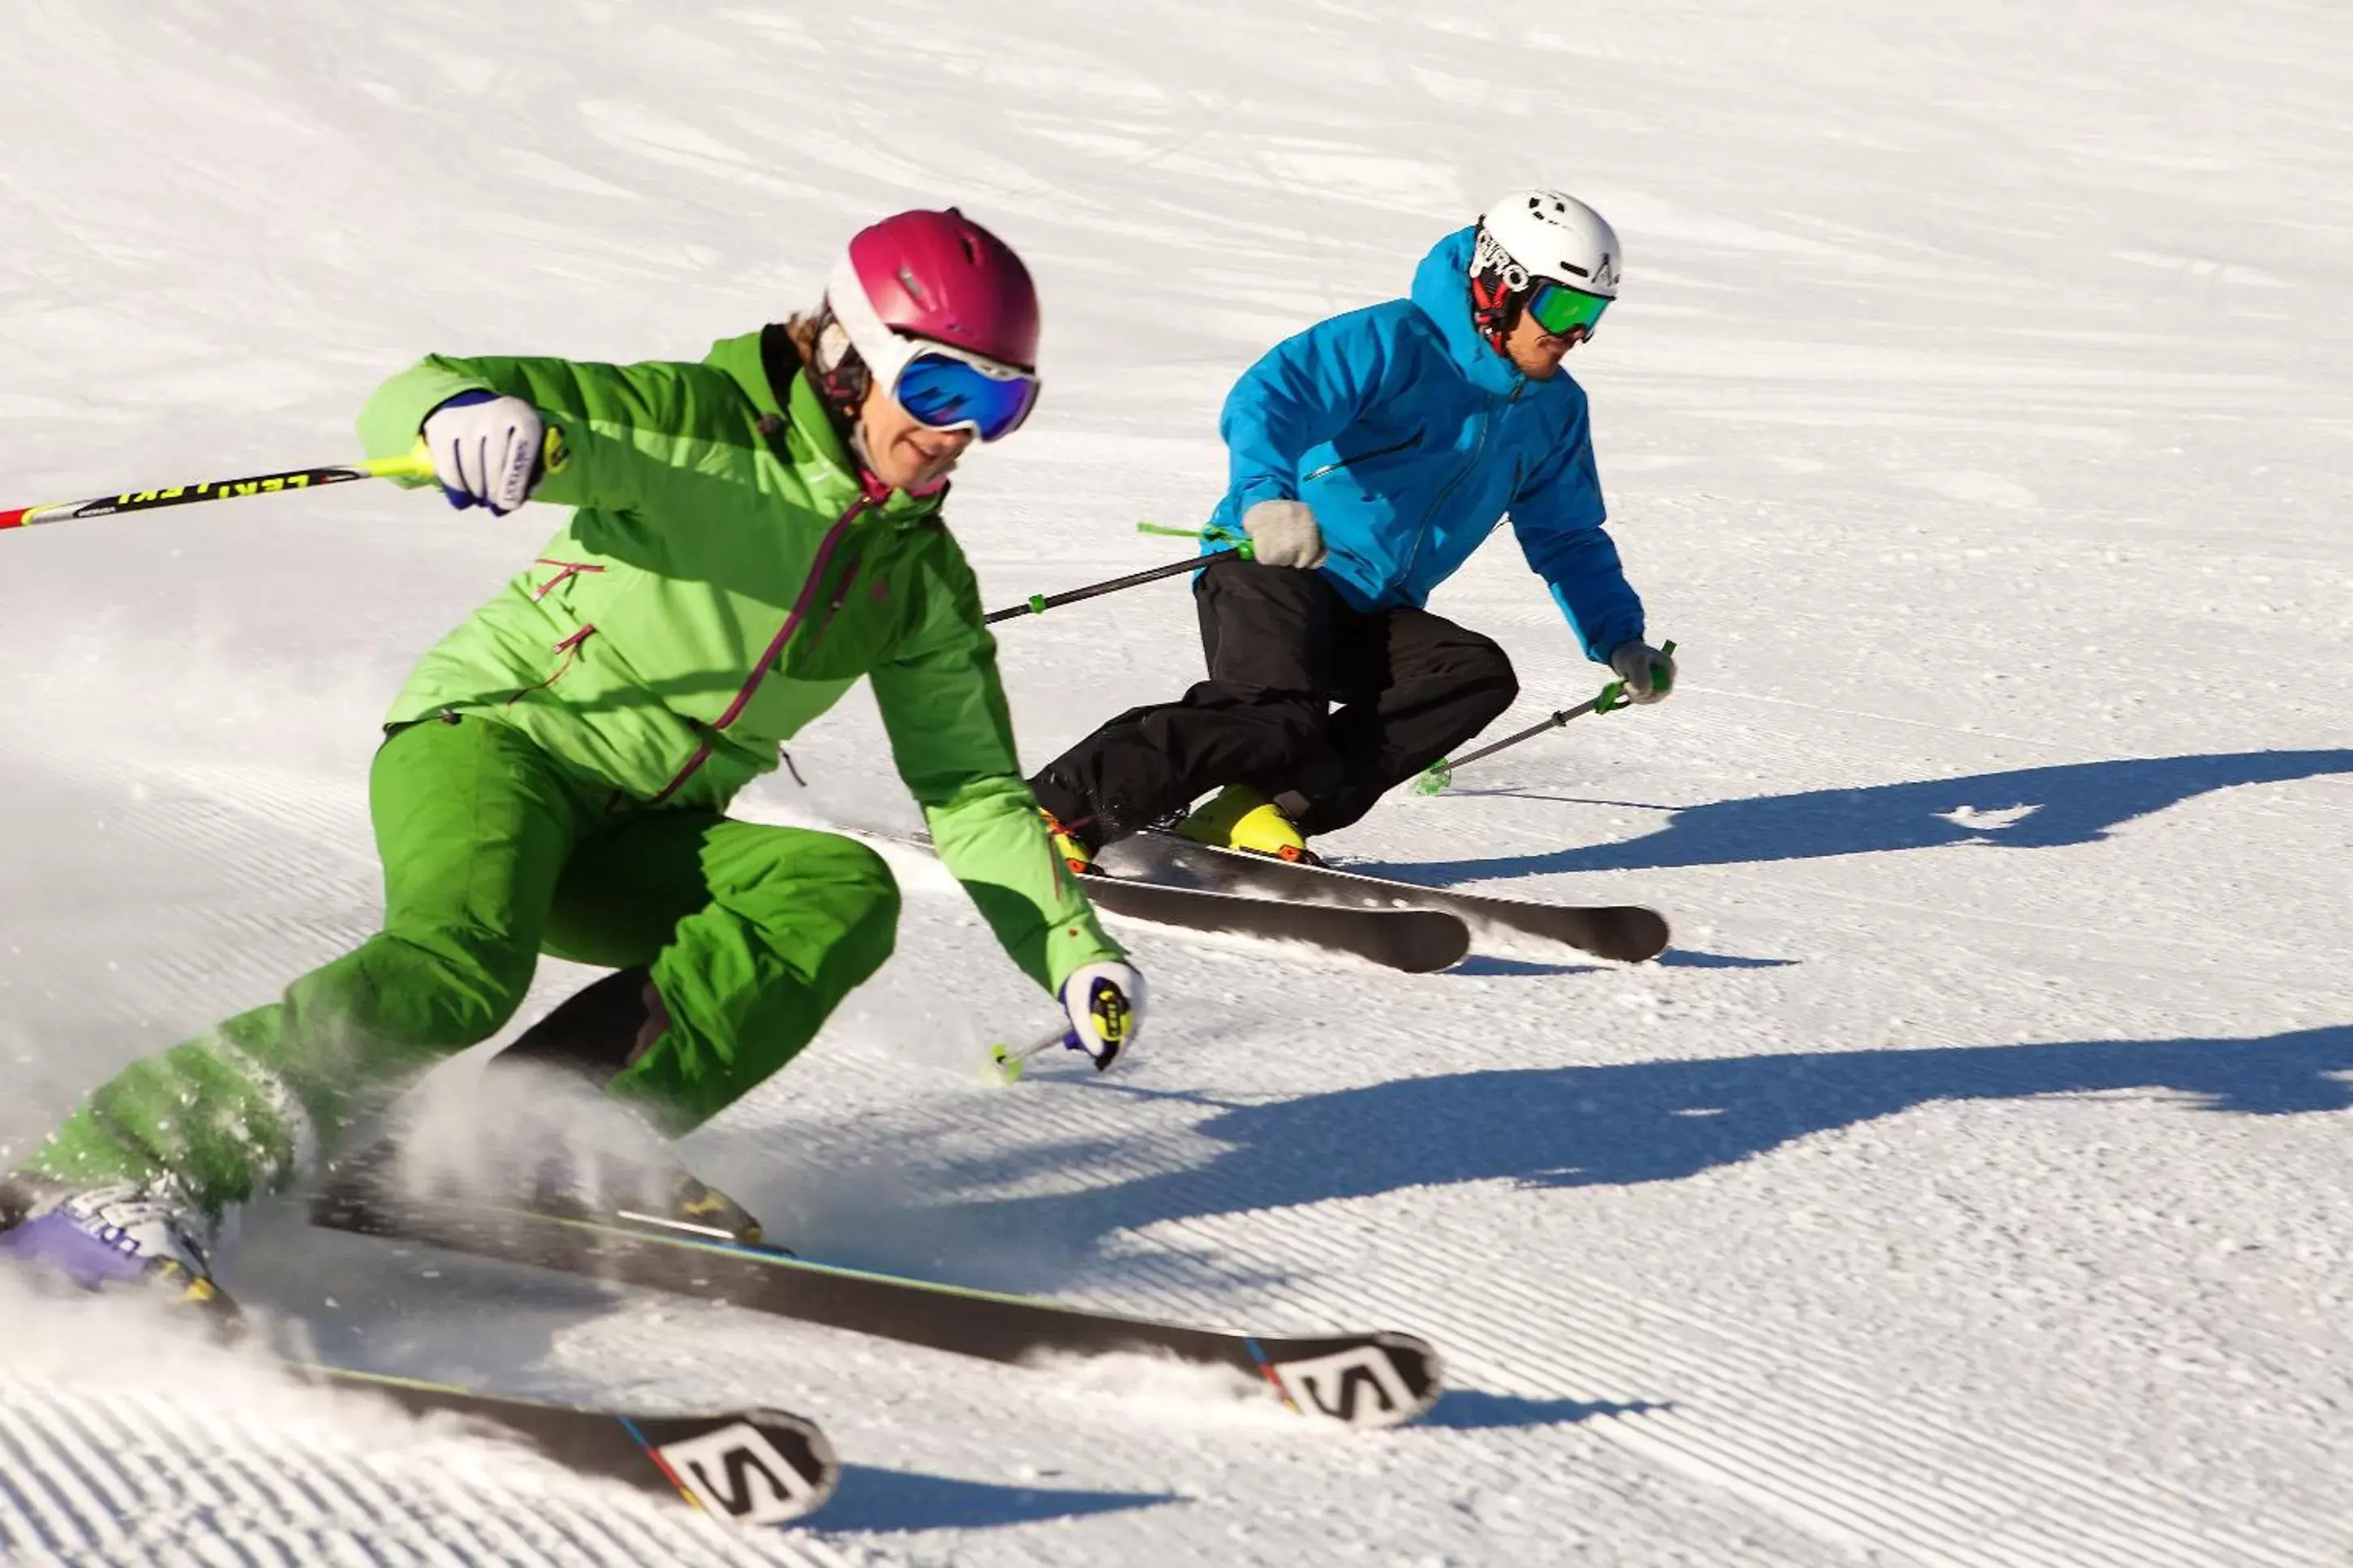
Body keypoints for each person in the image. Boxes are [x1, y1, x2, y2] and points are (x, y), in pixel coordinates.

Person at [0, 208, 1143, 1317]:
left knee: (834, 893)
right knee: (462, 968)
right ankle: (106, 1173)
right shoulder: (695, 423)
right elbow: (423, 388)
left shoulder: (918, 578)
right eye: (941, 388)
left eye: (1003, 404)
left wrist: (1069, 948)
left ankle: (542, 1140)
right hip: (496, 744)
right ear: (847, 359)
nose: (960, 432)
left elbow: (972, 790)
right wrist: (460, 416)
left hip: (637, 828)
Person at [1029, 189, 1676, 868]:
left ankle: (1261, 806)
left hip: (1372, 605)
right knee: (1273, 713)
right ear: (1500, 286)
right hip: (1276, 564)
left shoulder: (1553, 410)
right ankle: (1054, 806)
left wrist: (1619, 638)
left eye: (1593, 314)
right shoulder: (1397, 341)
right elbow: (1273, 395)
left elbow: (1567, 535)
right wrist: (1264, 499)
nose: (1575, 333)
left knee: (1471, 674)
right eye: (1564, 307)